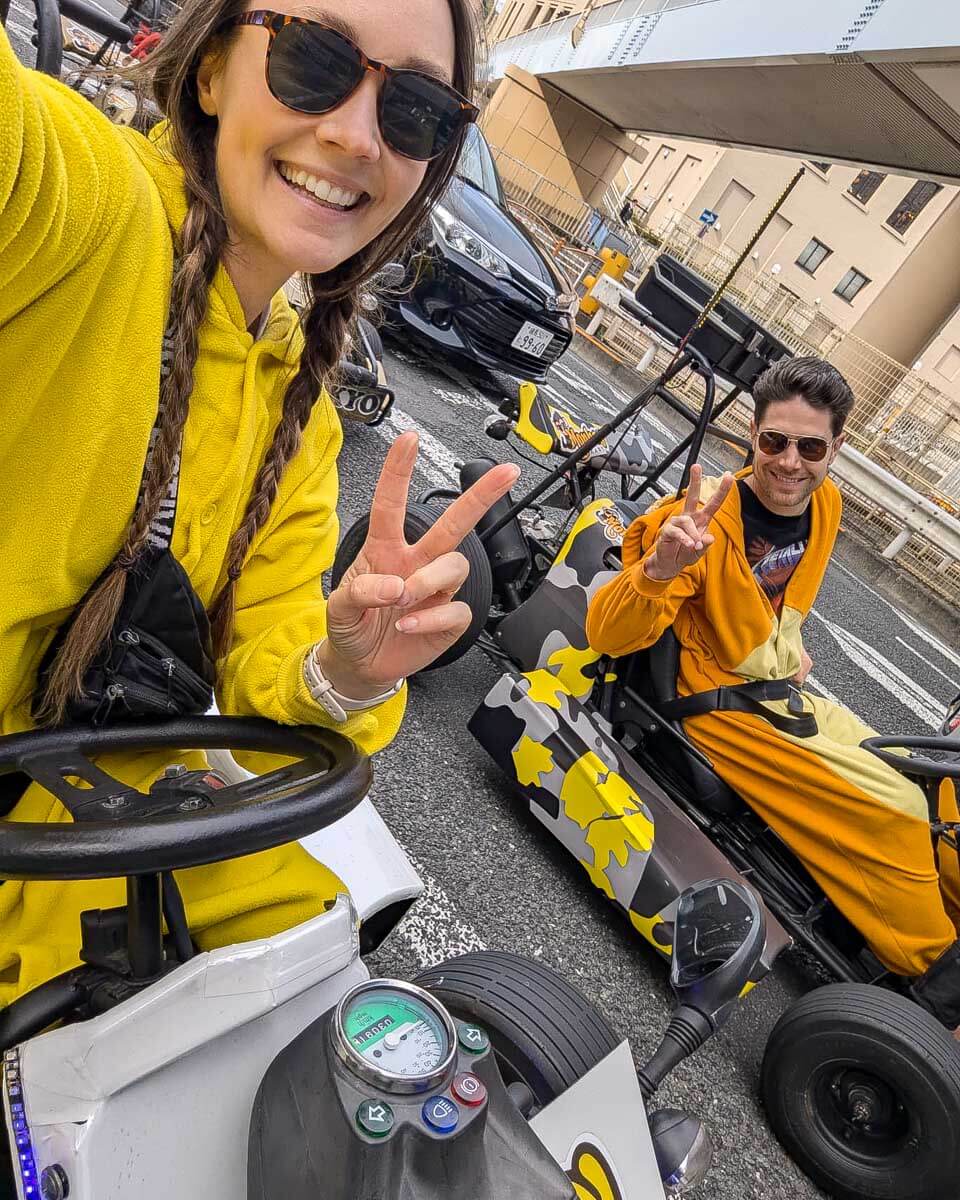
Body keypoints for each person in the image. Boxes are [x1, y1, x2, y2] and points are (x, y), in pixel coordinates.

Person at [0, 0, 520, 1004]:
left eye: (413, 109)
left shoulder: (302, 419)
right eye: (316, 58)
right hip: (53, 857)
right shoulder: (84, 200)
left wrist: (347, 668)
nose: (356, 134)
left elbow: (263, 685)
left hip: (69, 854)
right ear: (209, 74)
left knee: (315, 959)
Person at [586, 356, 960, 1030]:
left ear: (836, 449)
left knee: (934, 786)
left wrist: (783, 644)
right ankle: (938, 984)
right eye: (775, 442)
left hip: (778, 687)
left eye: (811, 447)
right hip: (714, 706)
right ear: (750, 436)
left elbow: (782, 605)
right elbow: (606, 633)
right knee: (895, 811)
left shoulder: (828, 505)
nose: (791, 463)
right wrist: (661, 568)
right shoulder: (696, 518)